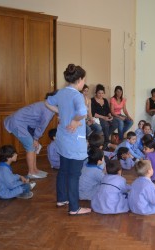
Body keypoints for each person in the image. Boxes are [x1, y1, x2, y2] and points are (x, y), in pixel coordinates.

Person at [45, 63, 91, 215]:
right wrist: (75, 121)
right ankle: (74, 208)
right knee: (74, 175)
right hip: (74, 141)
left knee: (63, 170)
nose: (84, 82)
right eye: (84, 80)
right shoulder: (77, 95)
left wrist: (62, 112)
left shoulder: (61, 92)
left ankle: (61, 199)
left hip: (62, 139)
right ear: (79, 79)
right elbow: (83, 112)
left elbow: (47, 102)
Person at [4, 91, 57, 179]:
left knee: (34, 146)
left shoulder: (48, 105)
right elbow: (42, 126)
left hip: (24, 124)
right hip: (18, 123)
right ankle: (31, 172)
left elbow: (37, 123)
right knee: (30, 146)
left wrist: (35, 138)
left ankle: (35, 170)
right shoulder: (49, 109)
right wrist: (35, 138)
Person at [91, 84, 118, 149]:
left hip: (106, 116)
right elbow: (93, 113)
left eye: (102, 93)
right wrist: (103, 117)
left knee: (115, 123)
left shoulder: (105, 100)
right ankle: (107, 141)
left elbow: (108, 110)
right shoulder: (92, 100)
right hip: (98, 117)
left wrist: (110, 115)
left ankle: (104, 139)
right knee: (105, 125)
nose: (101, 95)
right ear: (96, 93)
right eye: (99, 93)